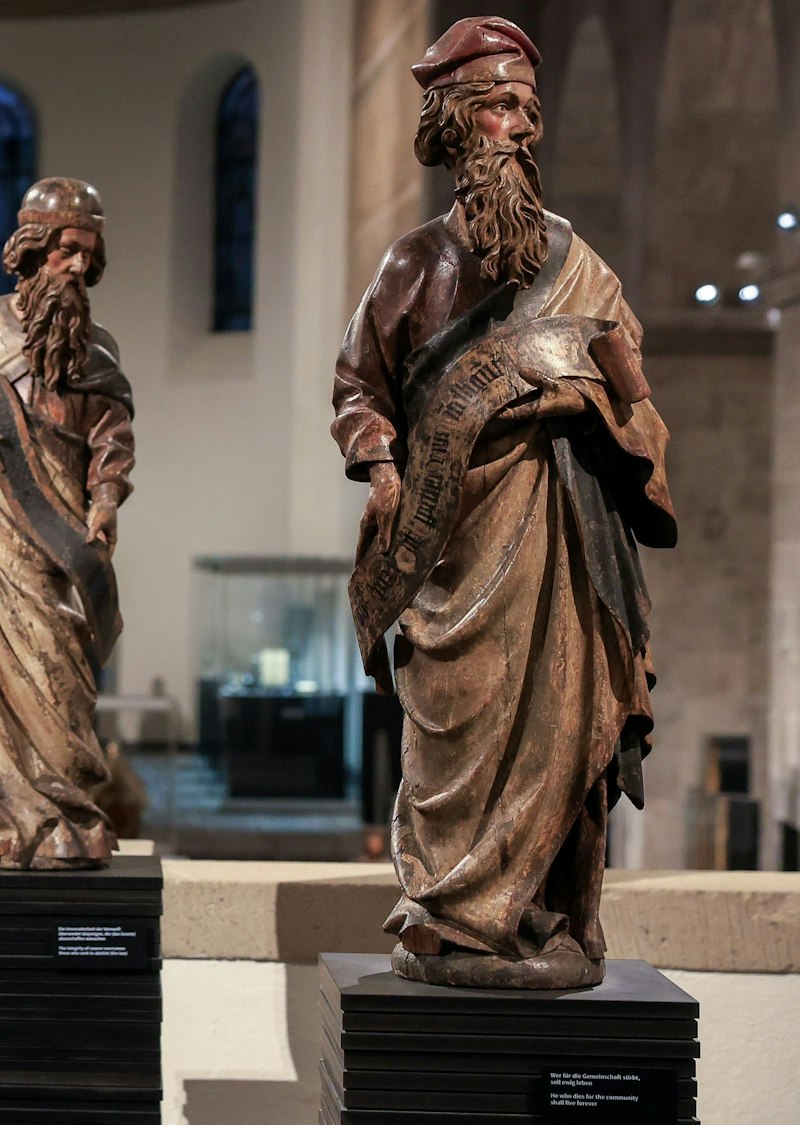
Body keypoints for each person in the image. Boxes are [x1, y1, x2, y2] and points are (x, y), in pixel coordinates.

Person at [334, 17, 674, 989]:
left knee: (563, 721)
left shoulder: (578, 266)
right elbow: (358, 388)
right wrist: (382, 467)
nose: (522, 127)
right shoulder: (411, 266)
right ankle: (447, 913)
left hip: (560, 538)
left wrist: (587, 400)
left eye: (528, 109)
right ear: (454, 125)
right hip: (450, 546)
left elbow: (636, 398)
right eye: (498, 107)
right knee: (450, 725)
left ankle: (547, 917)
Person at [0, 178, 134, 870]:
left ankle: (66, 812)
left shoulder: (98, 348)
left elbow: (112, 435)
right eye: (66, 249)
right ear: (34, 250)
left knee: (58, 672)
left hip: (59, 540)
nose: (76, 265)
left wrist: (105, 500)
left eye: (88, 254)